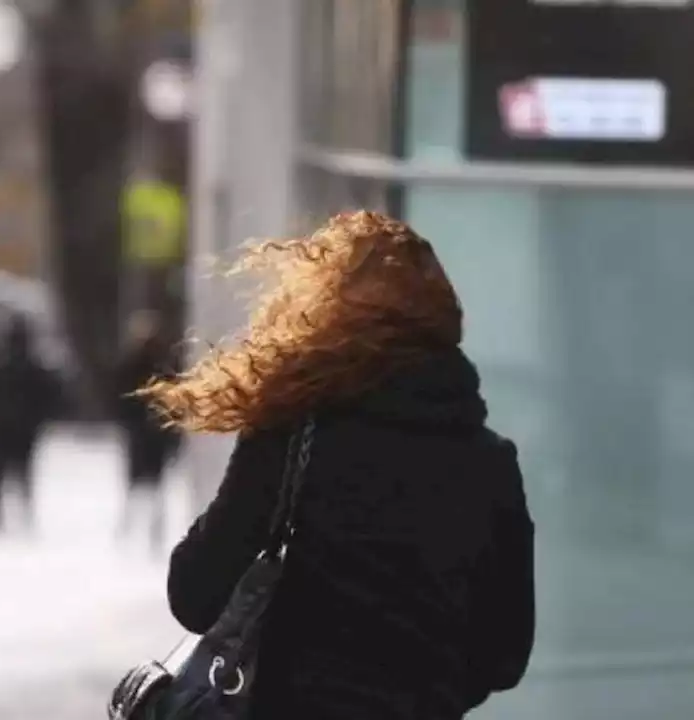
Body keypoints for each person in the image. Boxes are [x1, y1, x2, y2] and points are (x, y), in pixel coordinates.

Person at [135, 211, 535, 718]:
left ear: (328, 319)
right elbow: (504, 657)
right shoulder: (491, 466)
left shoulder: (292, 438)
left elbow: (195, 595)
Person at [113, 310, 183, 554]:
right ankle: (132, 528)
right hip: (145, 433)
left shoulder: (161, 364)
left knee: (151, 484)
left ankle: (146, 529)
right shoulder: (149, 364)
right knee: (140, 483)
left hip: (153, 434)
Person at [0, 314, 54, 534]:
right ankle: (15, 514)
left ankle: (4, 515)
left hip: (8, 427)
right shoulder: (28, 367)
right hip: (17, 428)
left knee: (4, 475)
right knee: (17, 474)